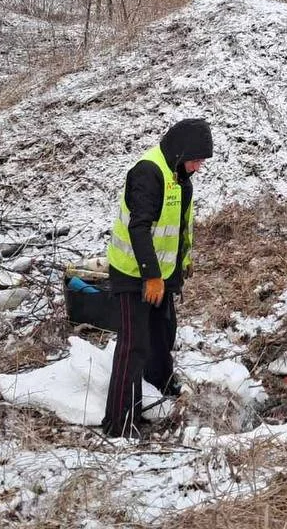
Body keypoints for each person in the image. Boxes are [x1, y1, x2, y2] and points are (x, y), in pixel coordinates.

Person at [102, 118, 213, 437]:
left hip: (161, 275)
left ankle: (159, 390)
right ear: (181, 152)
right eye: (196, 160)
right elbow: (139, 228)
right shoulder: (148, 173)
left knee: (163, 332)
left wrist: (183, 263)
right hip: (132, 273)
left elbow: (178, 225)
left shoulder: (180, 175)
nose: (198, 167)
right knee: (133, 345)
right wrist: (151, 276)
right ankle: (120, 423)